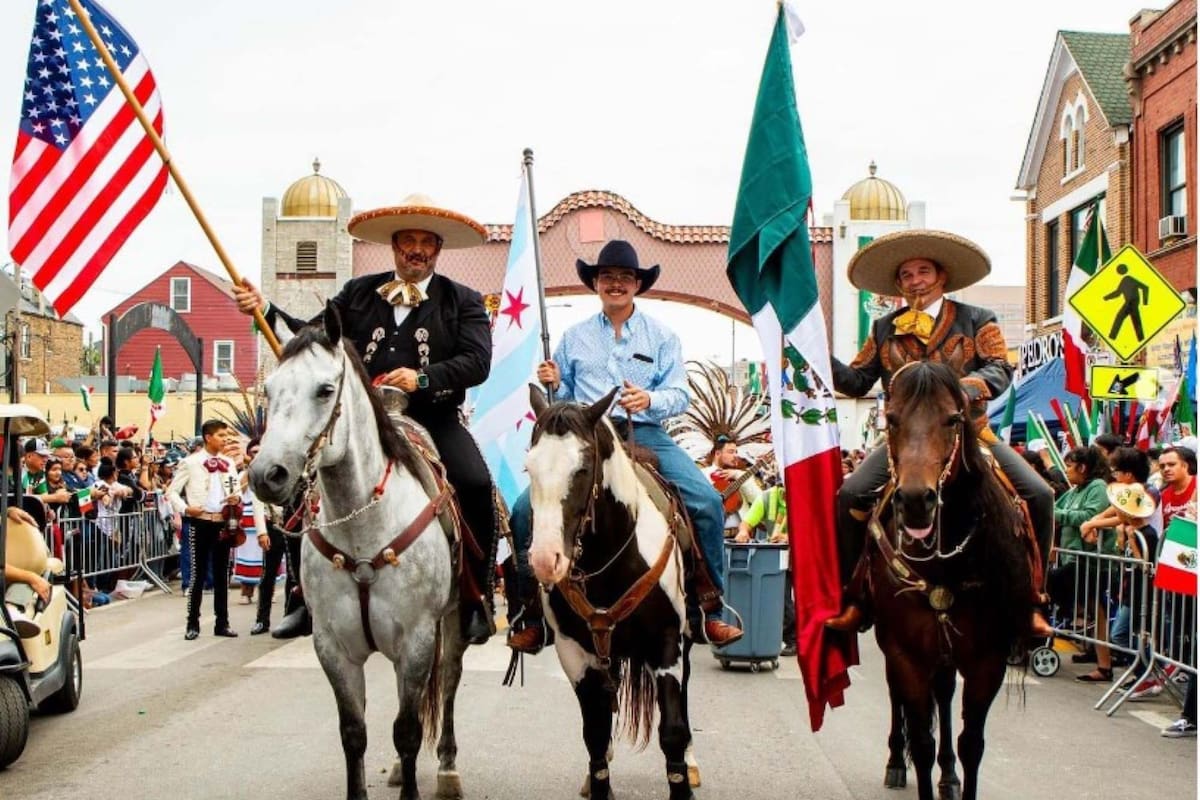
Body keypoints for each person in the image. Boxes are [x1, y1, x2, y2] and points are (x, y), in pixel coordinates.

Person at [233, 194, 498, 645]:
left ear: (437, 249)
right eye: (407, 241)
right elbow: (310, 335)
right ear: (394, 246)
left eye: (425, 242)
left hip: (432, 417)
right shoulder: (358, 292)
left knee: (474, 483)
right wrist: (265, 311)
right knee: (304, 484)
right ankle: (300, 597)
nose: (416, 249)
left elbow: (477, 361)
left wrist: (423, 377)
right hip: (361, 424)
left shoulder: (463, 300)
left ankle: (476, 596)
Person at [508, 239, 743, 653]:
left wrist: (650, 399)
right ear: (596, 284)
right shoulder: (574, 337)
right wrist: (553, 379)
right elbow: (562, 394)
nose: (616, 284)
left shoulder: (663, 337)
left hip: (644, 432)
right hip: (586, 436)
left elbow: (680, 394)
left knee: (706, 501)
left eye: (624, 277)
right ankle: (531, 614)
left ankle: (710, 608)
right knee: (524, 509)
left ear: (637, 284)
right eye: (607, 277)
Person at [822, 230, 1054, 636]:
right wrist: (819, 360)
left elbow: (1000, 368)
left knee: (1039, 493)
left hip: (970, 434)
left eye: (923, 271)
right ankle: (855, 596)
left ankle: (1034, 598)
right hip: (904, 441)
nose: (916, 280)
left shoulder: (978, 319)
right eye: (907, 275)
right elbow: (859, 381)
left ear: (942, 277)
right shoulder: (883, 328)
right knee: (850, 494)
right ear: (899, 285)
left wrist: (956, 392)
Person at [167, 419, 242, 640]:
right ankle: (192, 623)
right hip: (200, 522)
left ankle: (222, 622)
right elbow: (172, 492)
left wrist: (235, 497)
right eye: (221, 435)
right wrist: (186, 509)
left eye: (226, 435)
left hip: (222, 521)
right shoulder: (190, 462)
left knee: (221, 575)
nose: (225, 439)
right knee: (197, 575)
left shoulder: (228, 463)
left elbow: (236, 487)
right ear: (208, 437)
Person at [735, 480, 795, 657]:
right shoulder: (768, 497)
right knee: (782, 597)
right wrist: (744, 531)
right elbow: (747, 521)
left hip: (805, 553)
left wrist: (789, 537)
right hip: (780, 555)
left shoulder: (804, 497)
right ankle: (791, 639)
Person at [703, 434, 762, 538]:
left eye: (736, 452)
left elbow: (758, 499)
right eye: (730, 452)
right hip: (713, 537)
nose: (735, 455)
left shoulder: (742, 475)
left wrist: (737, 474)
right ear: (717, 453)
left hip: (740, 537)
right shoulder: (703, 475)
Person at [1158, 445, 1197, 525]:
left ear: (1185, 466)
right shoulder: (1162, 496)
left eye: (1171, 464)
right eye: (1162, 466)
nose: (1166, 469)